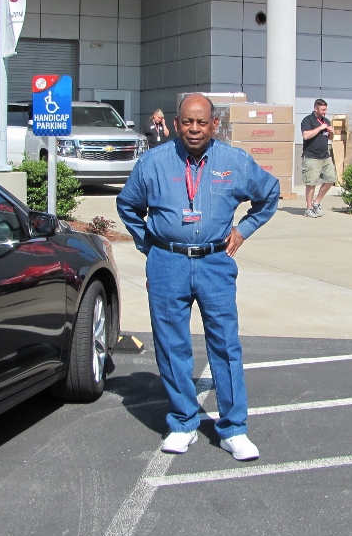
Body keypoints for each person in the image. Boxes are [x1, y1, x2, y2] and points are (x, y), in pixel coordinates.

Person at [117, 93, 280, 461]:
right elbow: (127, 205)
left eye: (201, 122)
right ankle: (183, 422)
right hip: (167, 264)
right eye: (187, 122)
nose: (194, 129)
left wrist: (243, 230)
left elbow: (269, 195)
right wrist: (151, 246)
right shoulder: (154, 162)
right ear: (176, 124)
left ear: (214, 125)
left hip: (214, 263)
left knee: (224, 344)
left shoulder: (234, 162)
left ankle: (233, 429)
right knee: (171, 345)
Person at [300, 99, 337, 217]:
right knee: (311, 183)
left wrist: (331, 132)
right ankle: (309, 208)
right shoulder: (307, 120)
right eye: (323, 110)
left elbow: (330, 138)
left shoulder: (326, 121)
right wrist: (320, 128)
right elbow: (306, 136)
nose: (325, 112)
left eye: (326, 109)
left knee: (331, 179)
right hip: (311, 157)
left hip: (325, 156)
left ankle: (317, 202)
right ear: (316, 109)